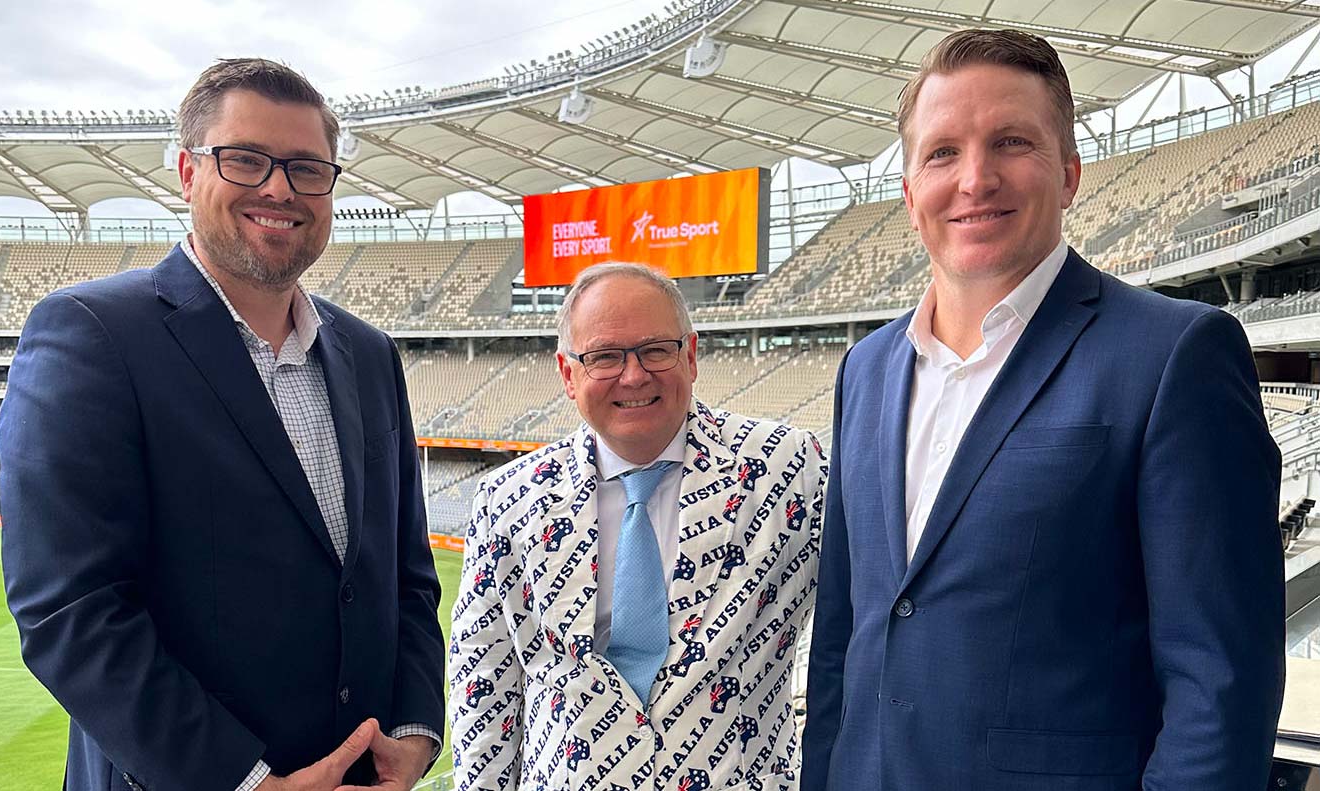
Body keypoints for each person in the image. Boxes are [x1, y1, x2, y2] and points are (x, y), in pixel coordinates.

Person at [802, 29, 1286, 791]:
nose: (974, 178)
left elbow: (1221, 679)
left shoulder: (1174, 355)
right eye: (941, 153)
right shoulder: (865, 370)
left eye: (1011, 141)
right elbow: (842, 640)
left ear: (1067, 173)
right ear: (907, 192)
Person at [0, 58, 444, 791]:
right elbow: (70, 610)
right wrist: (245, 781)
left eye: (307, 168)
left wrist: (416, 732)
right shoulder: (91, 334)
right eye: (245, 160)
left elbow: (405, 578)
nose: (280, 188)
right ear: (187, 171)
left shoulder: (370, 353)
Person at [449, 263, 826, 791]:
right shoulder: (509, 500)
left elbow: (863, 634)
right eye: (604, 356)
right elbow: (485, 688)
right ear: (567, 373)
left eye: (656, 349)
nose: (633, 376)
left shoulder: (790, 469)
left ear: (691, 355)